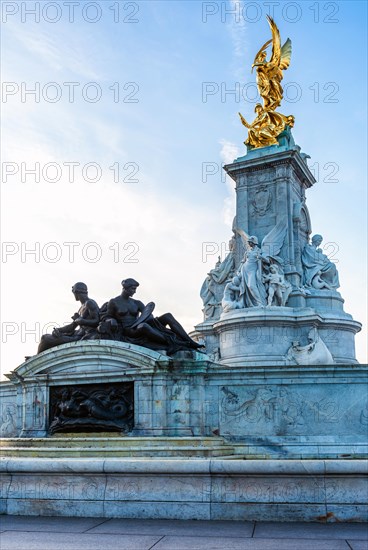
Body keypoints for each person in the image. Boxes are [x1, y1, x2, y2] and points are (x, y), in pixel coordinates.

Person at [102, 278, 203, 354]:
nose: (135, 291)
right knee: (143, 326)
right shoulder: (114, 302)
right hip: (129, 330)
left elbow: (147, 313)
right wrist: (111, 320)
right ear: (126, 288)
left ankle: (189, 341)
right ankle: (174, 342)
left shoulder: (136, 302)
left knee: (167, 316)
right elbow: (106, 316)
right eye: (133, 289)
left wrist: (150, 317)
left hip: (139, 323)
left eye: (135, 289)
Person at [37, 282, 100, 354]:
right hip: (75, 334)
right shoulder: (80, 309)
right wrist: (58, 330)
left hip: (81, 337)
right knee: (45, 337)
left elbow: (97, 321)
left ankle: (36, 358)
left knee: (45, 339)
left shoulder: (90, 303)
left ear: (76, 292)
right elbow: (71, 326)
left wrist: (82, 321)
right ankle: (37, 356)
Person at [237, 236, 267, 307]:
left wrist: (261, 257)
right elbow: (243, 262)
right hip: (244, 270)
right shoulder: (247, 251)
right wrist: (238, 270)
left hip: (252, 270)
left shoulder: (258, 251)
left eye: (250, 242)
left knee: (251, 286)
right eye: (248, 242)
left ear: (254, 242)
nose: (249, 243)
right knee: (244, 287)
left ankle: (260, 303)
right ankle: (246, 303)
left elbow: (266, 260)